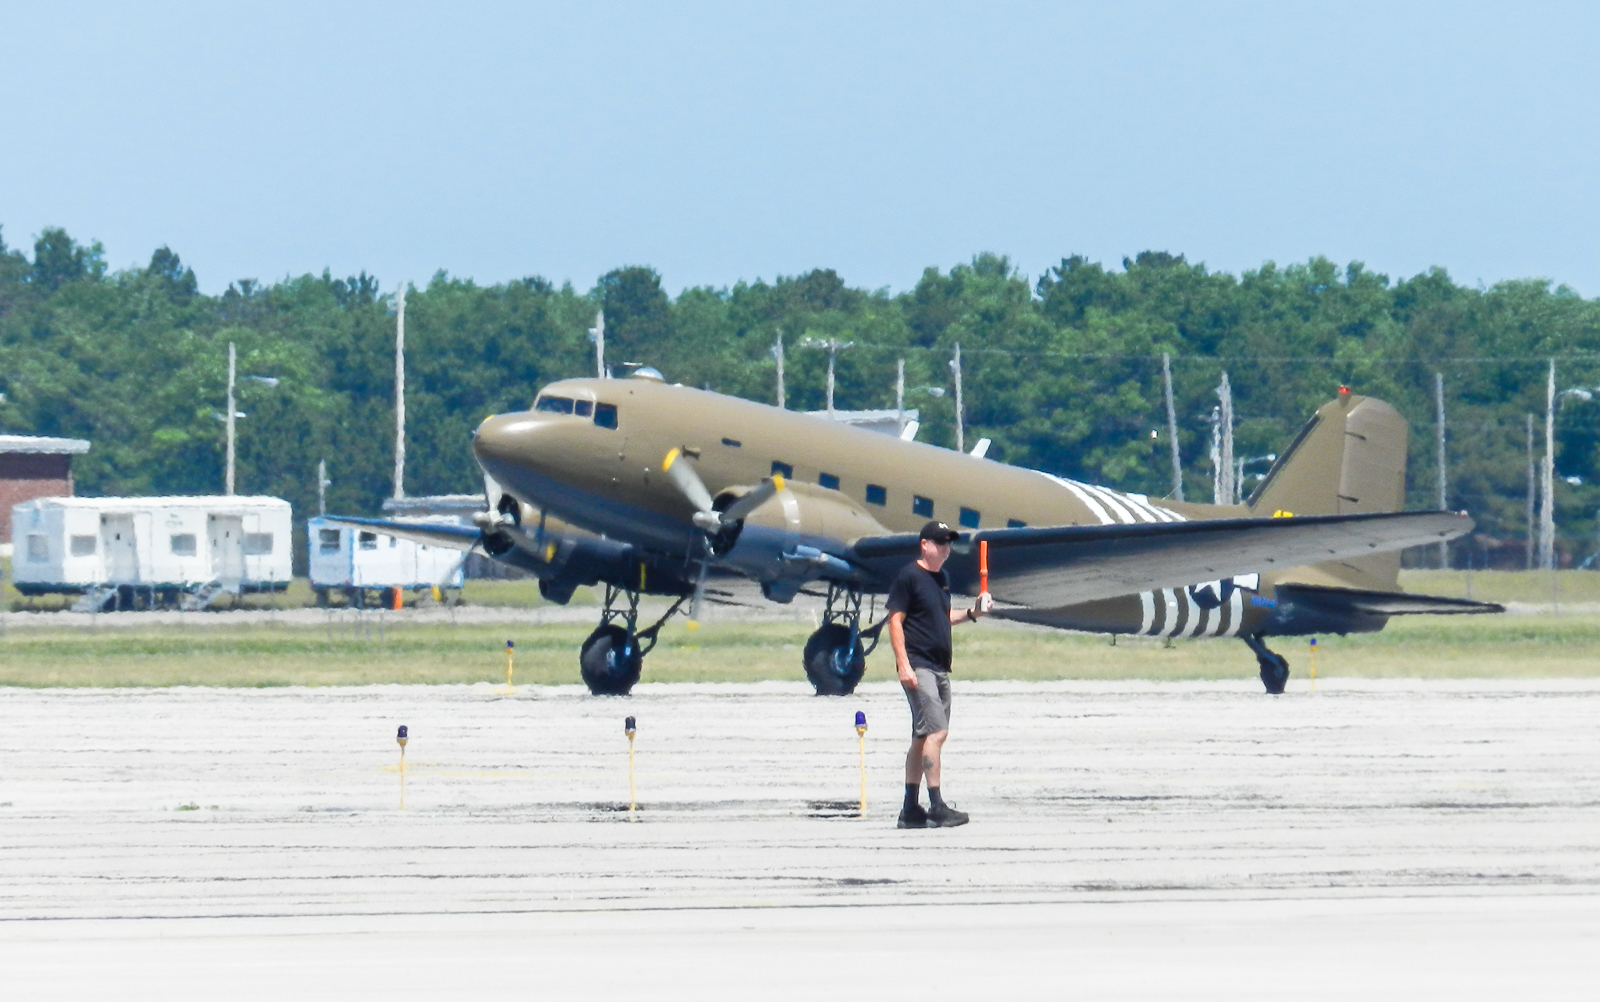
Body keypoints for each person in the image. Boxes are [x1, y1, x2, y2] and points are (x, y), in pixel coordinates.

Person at [886, 520, 992, 828]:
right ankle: (936, 805)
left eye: (948, 543)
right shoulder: (909, 576)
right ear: (925, 544)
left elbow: (943, 616)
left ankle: (910, 810)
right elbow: (895, 620)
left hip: (939, 665)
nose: (946, 548)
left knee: (922, 736)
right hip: (919, 665)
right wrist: (903, 664)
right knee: (937, 731)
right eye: (940, 542)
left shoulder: (941, 578)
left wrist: (973, 613)